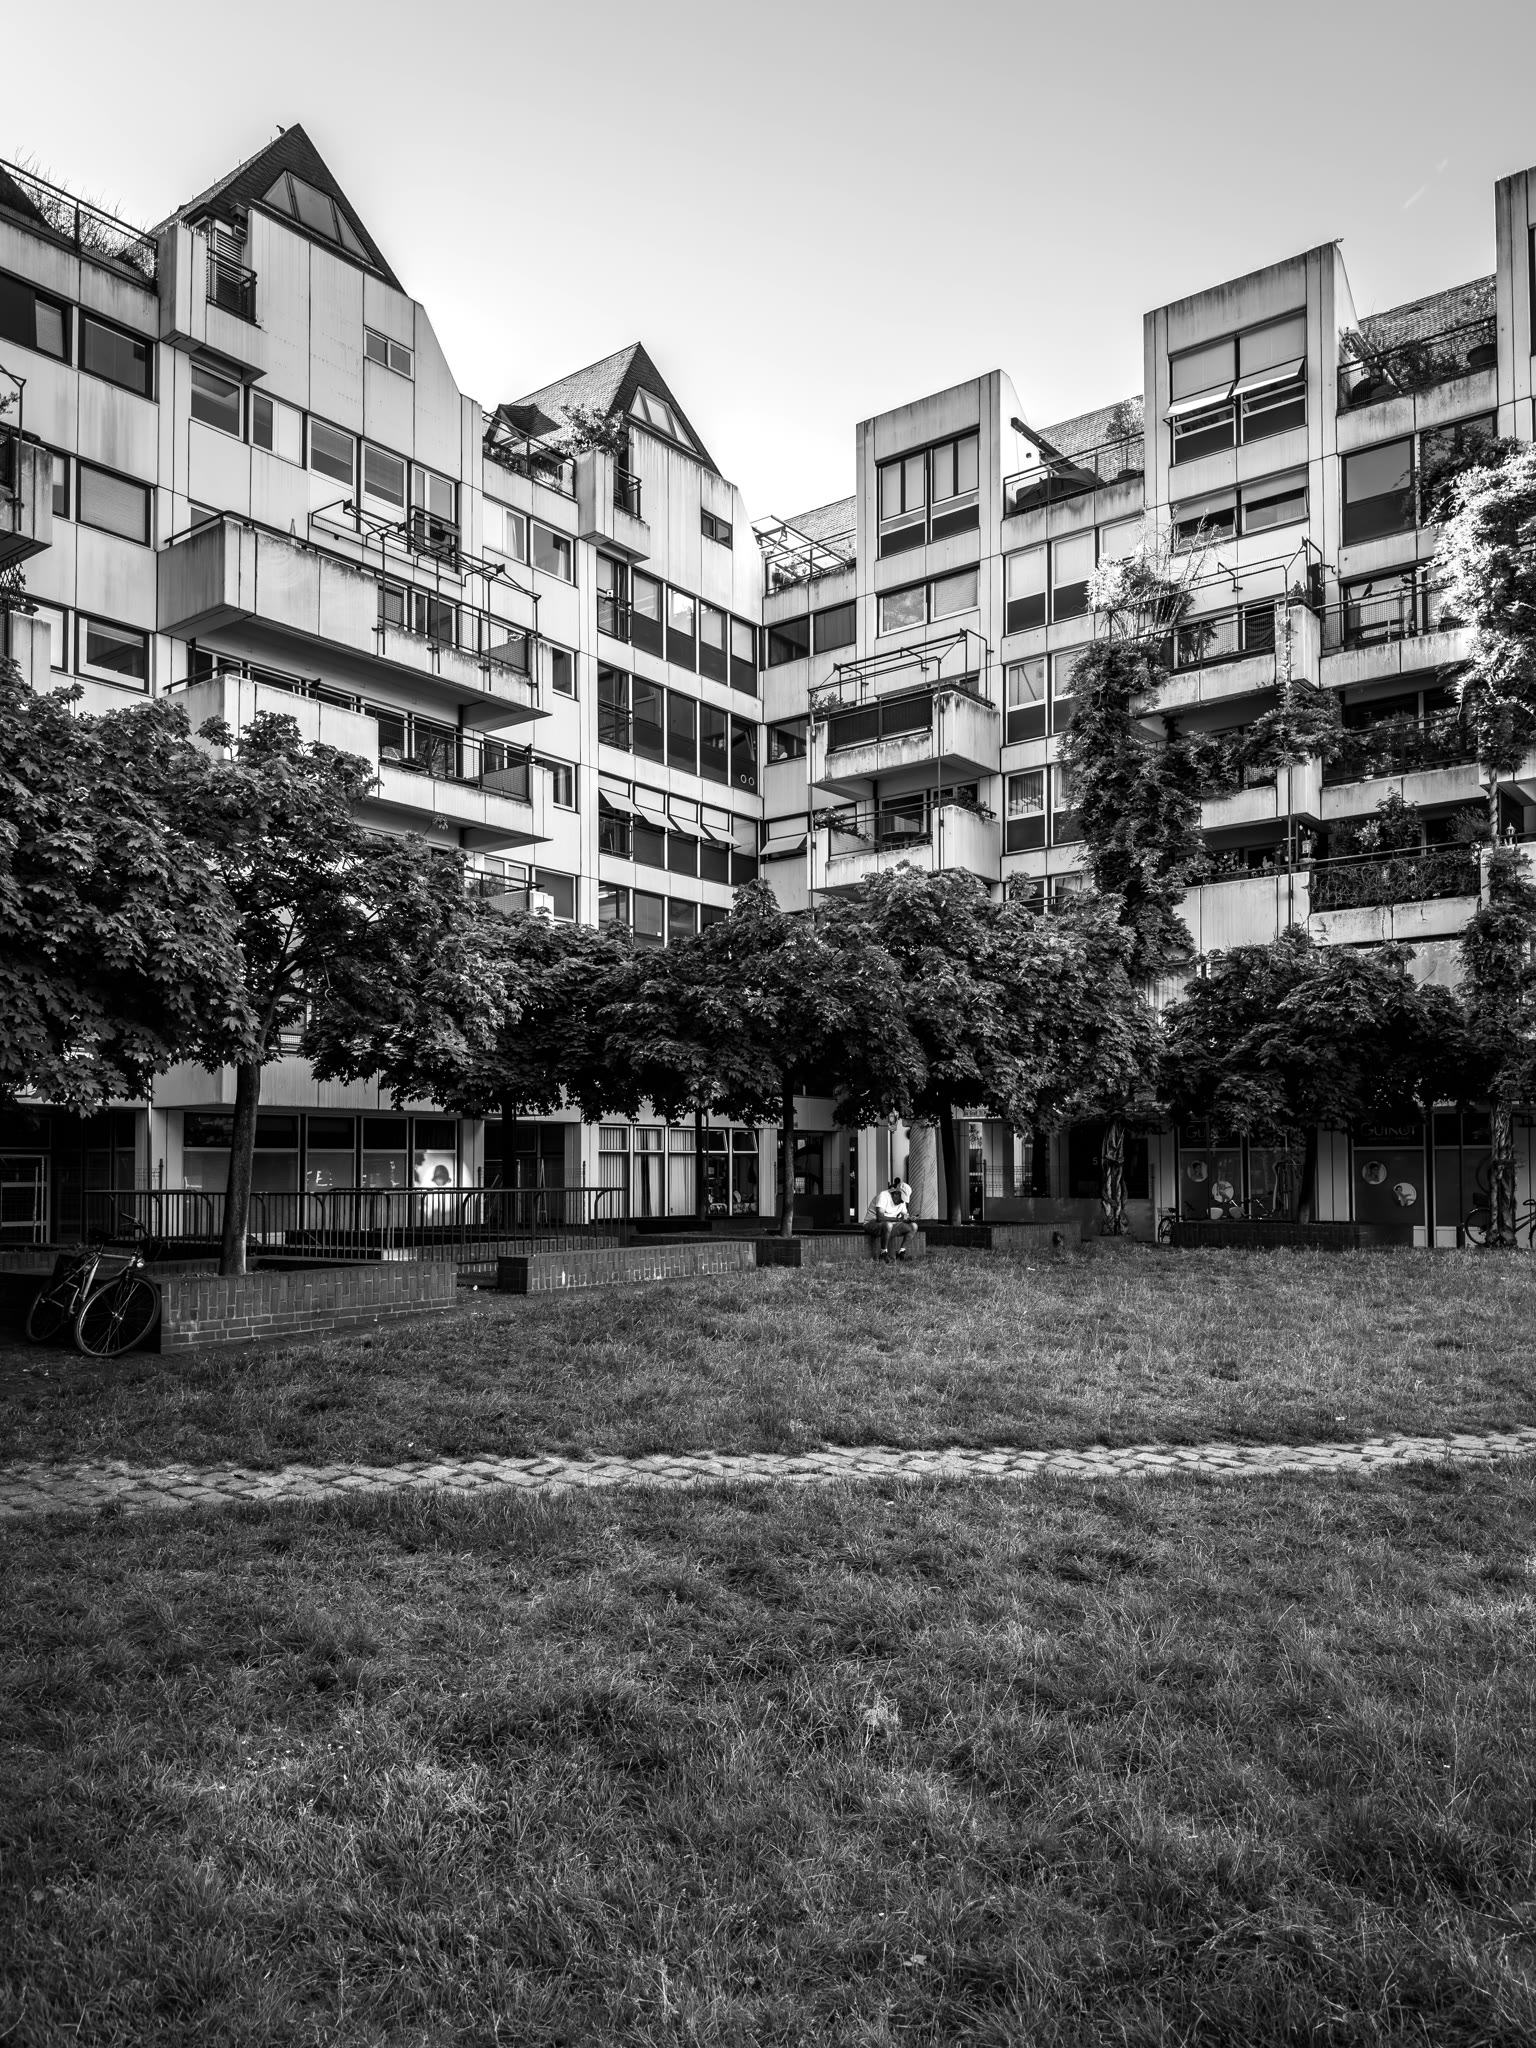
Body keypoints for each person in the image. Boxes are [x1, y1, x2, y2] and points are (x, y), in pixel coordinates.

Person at [864, 1173, 915, 1262]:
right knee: (888, 1224)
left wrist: (909, 1219)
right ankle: (883, 1253)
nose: (902, 1202)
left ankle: (901, 1252)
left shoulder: (902, 1202)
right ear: (896, 1193)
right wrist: (899, 1219)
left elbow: (905, 1215)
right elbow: (880, 1218)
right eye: (901, 1199)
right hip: (872, 1223)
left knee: (913, 1226)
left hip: (890, 1226)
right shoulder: (883, 1196)